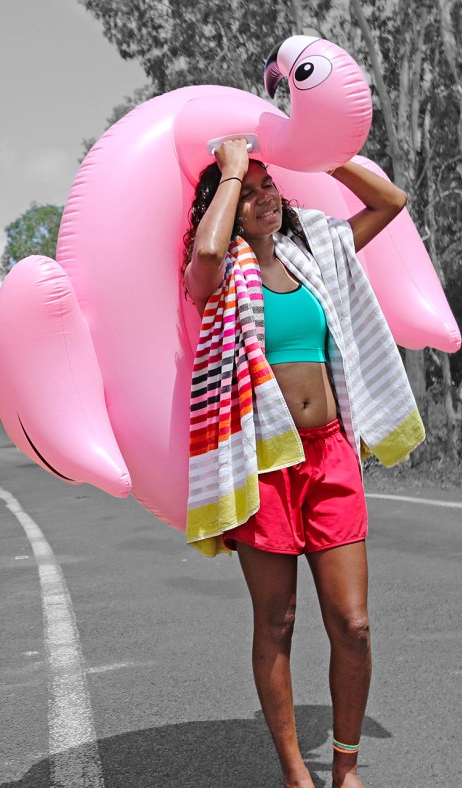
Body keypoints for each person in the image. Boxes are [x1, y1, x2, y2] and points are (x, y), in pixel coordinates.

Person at [183, 138, 414, 788]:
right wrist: (231, 170)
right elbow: (203, 250)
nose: (265, 198)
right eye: (250, 191)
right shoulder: (218, 274)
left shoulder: (315, 255)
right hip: (261, 466)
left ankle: (345, 767)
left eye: (269, 185)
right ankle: (296, 774)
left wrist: (316, 149)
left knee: (354, 623)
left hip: (330, 454)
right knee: (277, 621)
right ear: (228, 203)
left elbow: (389, 201)